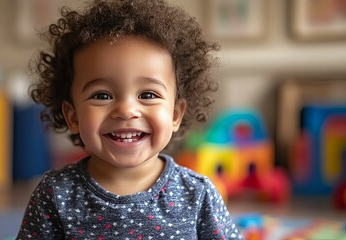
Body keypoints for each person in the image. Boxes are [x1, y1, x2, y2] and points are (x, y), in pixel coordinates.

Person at [17, 0, 243, 239]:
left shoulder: (198, 194)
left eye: (148, 95)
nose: (126, 110)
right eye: (102, 95)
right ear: (72, 116)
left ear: (175, 114)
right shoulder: (56, 193)